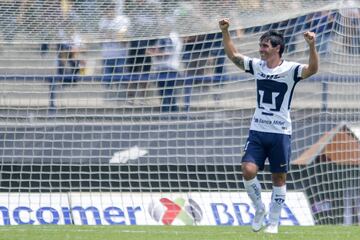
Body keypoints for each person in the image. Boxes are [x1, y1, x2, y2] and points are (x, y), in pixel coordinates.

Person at [219, 18, 319, 234]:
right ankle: (259, 210)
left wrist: (312, 45)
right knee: (247, 169)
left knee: (279, 178)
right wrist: (225, 31)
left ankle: (274, 220)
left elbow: (312, 69)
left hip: (280, 132)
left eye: (265, 45)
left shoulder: (291, 69)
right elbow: (234, 56)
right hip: (258, 130)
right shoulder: (258, 66)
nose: (261, 49)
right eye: (261, 45)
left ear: (277, 49)